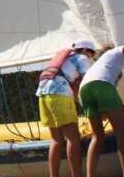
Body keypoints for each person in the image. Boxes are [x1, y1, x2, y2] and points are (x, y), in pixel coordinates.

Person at [80, 12, 124, 177]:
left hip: (84, 90)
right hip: (100, 88)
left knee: (98, 136)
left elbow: (116, 103)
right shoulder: (116, 53)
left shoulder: (98, 68)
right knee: (121, 133)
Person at [35, 38, 97, 177]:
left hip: (43, 94)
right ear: (86, 50)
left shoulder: (65, 58)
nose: (90, 58)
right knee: (73, 137)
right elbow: (88, 82)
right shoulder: (81, 57)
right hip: (60, 93)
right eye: (91, 54)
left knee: (56, 139)